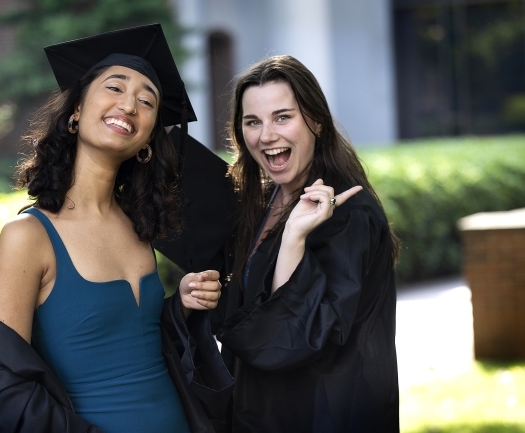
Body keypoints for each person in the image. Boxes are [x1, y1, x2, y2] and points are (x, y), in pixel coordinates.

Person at [0, 24, 233, 433]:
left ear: (147, 140)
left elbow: (134, 341)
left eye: (147, 101)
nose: (129, 104)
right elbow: (1, 386)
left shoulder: (140, 228)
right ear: (76, 110)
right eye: (114, 87)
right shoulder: (28, 237)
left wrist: (179, 306)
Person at [159, 55, 400, 432]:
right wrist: (199, 296)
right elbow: (241, 317)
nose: (266, 135)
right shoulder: (261, 204)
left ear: (316, 121)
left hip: (322, 414)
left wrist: (294, 240)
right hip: (258, 412)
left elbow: (294, 337)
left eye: (282, 117)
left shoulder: (347, 215)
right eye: (252, 121)